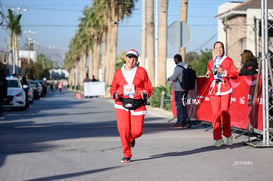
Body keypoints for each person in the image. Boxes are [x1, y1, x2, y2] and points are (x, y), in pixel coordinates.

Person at [110, 49, 153, 163]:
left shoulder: (141, 71)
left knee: (137, 131)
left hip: (137, 103)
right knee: (123, 129)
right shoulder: (118, 73)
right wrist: (114, 94)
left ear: (137, 60)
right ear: (125, 58)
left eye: (134, 58)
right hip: (121, 103)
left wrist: (145, 94)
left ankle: (132, 138)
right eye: (130, 57)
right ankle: (127, 154)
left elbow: (148, 87)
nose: (131, 60)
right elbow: (113, 88)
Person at [206, 41, 238, 147]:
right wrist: (209, 74)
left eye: (220, 48)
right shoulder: (211, 61)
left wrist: (224, 72)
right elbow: (210, 73)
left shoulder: (228, 60)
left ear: (223, 49)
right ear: (214, 50)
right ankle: (218, 138)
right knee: (216, 114)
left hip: (225, 88)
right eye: (216, 48)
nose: (218, 50)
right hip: (215, 89)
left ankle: (228, 135)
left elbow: (234, 74)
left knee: (225, 113)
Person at [167, 54, 190, 128]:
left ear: (176, 59)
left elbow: (174, 77)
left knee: (178, 106)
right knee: (184, 105)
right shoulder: (186, 66)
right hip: (186, 89)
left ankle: (179, 122)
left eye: (174, 60)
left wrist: (168, 79)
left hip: (179, 89)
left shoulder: (178, 67)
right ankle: (185, 122)